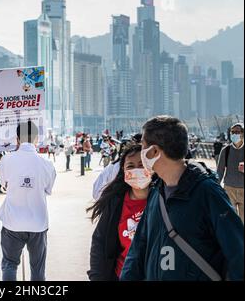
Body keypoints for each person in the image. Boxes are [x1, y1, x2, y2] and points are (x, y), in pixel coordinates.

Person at [121, 116, 244, 281]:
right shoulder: (157, 190)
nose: (141, 152)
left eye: (143, 146)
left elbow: (237, 253)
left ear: (154, 152)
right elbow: (138, 247)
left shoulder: (207, 192)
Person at [0, 121, 56, 281]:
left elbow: (4, 184)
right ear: (37, 139)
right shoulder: (47, 164)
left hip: (12, 222)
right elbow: (48, 189)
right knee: (38, 269)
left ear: (17, 139)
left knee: (9, 264)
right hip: (38, 223)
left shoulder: (6, 160)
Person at [87, 144, 151, 280]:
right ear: (123, 171)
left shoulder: (163, 200)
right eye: (130, 166)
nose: (137, 170)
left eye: (141, 164)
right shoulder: (116, 202)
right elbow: (100, 241)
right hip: (121, 275)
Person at [92, 134, 142, 201]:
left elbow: (96, 191)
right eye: (130, 166)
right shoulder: (115, 168)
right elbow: (97, 191)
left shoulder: (112, 167)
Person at [217, 123, 244, 222]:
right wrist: (217, 187)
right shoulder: (226, 150)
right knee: (231, 219)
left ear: (242, 134)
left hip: (243, 190)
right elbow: (220, 170)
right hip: (229, 189)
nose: (234, 134)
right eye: (232, 132)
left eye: (237, 132)